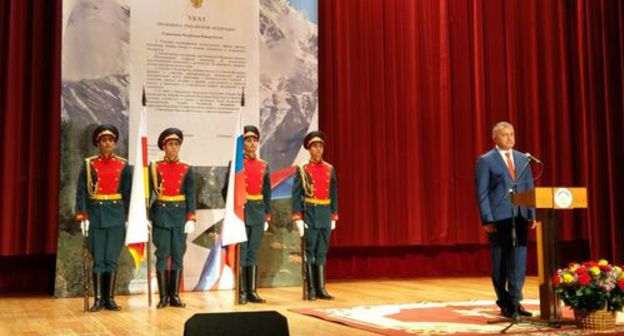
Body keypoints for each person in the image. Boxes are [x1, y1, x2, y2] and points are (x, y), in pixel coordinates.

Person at [475, 121, 537, 318]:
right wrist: (486, 219)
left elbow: (529, 188)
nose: (510, 138)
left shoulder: (523, 159)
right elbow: (482, 192)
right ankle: (504, 302)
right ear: (495, 138)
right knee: (501, 261)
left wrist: (532, 214)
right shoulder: (486, 160)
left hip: (520, 216)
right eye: (505, 135)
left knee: (518, 261)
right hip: (499, 218)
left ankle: (516, 302)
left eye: (511, 134)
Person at [75, 124, 131, 312]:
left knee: (111, 258)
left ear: (114, 143)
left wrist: (130, 217)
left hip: (116, 215)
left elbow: (129, 193)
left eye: (110, 140)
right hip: (96, 214)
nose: (107, 143)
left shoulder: (123, 165)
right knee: (99, 258)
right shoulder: (89, 164)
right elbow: (82, 192)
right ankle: (98, 299)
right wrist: (83, 216)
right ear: (98, 143)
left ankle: (110, 299)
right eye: (103, 140)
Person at [222, 125, 272, 304]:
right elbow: (226, 191)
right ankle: (242, 290)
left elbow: (267, 192)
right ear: (242, 144)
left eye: (254, 140)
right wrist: (233, 211)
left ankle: (252, 290)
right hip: (241, 213)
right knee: (242, 253)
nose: (252, 143)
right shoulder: (236, 164)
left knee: (253, 252)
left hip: (258, 212)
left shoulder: (263, 165)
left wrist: (267, 215)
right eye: (248, 140)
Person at [149, 128, 196, 309]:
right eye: (170, 144)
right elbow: (147, 195)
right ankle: (163, 297)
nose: (174, 147)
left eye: (177, 144)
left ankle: (174, 295)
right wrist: (146, 217)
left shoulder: (186, 169)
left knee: (177, 255)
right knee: (162, 255)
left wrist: (191, 218)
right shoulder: (154, 168)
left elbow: (191, 196)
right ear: (163, 146)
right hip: (161, 215)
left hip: (179, 217)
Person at [292, 130, 338, 300]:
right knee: (310, 251)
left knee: (322, 252)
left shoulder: (329, 169)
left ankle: (321, 288)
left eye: (320, 146)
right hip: (310, 213)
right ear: (309, 149)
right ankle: (311, 288)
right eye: (314, 146)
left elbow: (333, 193)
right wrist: (298, 217)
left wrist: (334, 216)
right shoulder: (303, 170)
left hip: (325, 214)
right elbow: (296, 195)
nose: (318, 149)